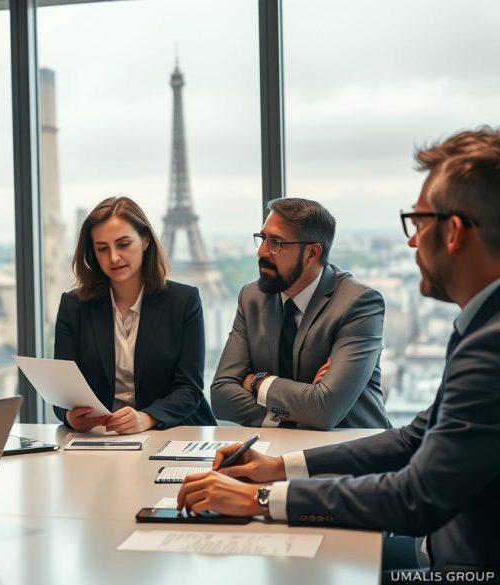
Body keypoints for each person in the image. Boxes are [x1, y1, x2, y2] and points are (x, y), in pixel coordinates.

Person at [177, 128, 500, 572]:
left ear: (454, 233)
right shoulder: (482, 328)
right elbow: (412, 438)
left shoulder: (490, 346)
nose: (411, 241)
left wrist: (262, 496)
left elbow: (414, 497)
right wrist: (278, 467)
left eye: (418, 223)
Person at [210, 197, 390, 430]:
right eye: (262, 238)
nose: (262, 252)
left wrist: (257, 382)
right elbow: (221, 396)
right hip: (274, 451)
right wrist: (304, 406)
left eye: (277, 243)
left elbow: (326, 409)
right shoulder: (251, 297)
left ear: (312, 254)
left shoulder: (358, 303)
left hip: (348, 450)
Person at [53, 196, 216, 433]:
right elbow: (63, 391)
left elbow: (189, 389)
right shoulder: (73, 306)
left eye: (123, 244)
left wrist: (147, 418)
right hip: (101, 438)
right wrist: (70, 416)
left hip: (172, 431)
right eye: (102, 249)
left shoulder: (184, 302)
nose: (114, 257)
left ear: (145, 240)